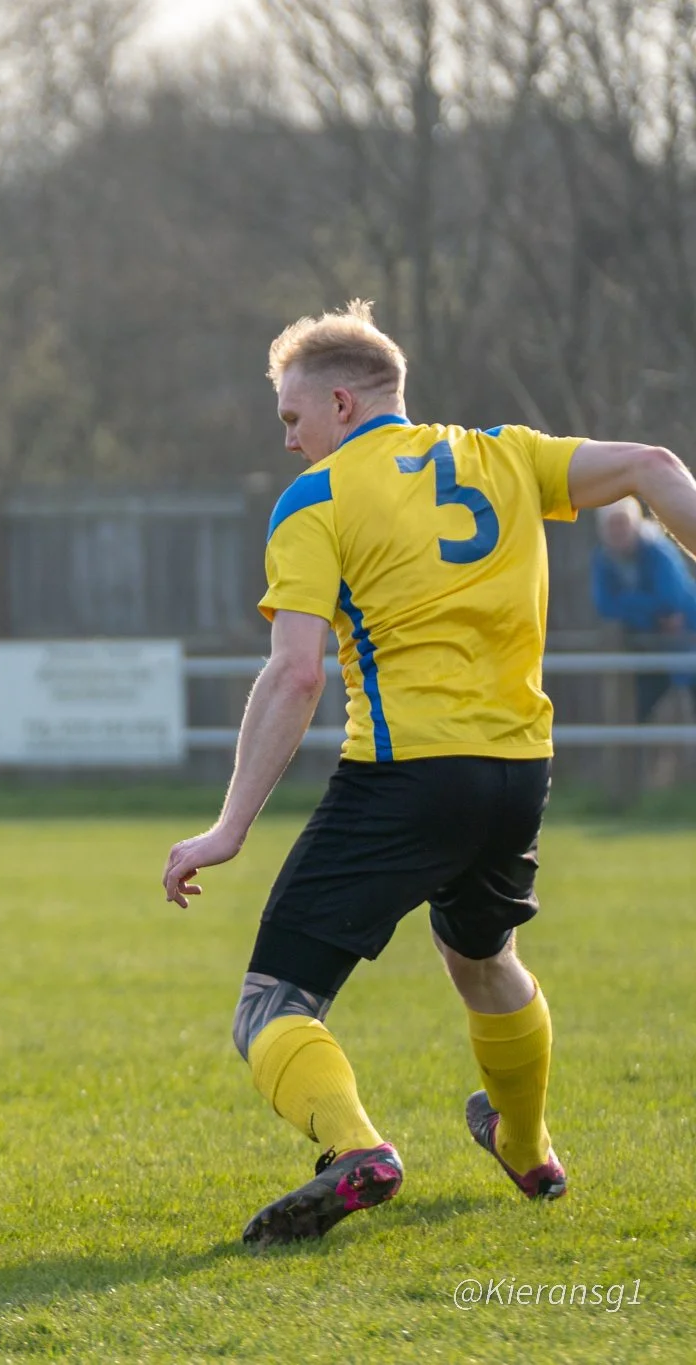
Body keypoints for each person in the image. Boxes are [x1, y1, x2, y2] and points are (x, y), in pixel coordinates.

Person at [161, 299, 696, 1245]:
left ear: (339, 402)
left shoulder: (317, 501)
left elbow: (294, 671)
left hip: (403, 773)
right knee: (485, 960)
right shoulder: (506, 455)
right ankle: (527, 1147)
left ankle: (356, 1148)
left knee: (271, 1006)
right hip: (518, 775)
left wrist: (228, 825)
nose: (288, 442)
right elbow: (655, 469)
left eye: (292, 419)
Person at [590, 497, 696, 721]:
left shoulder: (657, 550)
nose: (618, 530)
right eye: (612, 524)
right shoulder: (604, 559)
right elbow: (605, 605)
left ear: (635, 523)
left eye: (623, 522)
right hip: (651, 643)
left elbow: (670, 600)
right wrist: (651, 614)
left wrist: (629, 604)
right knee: (641, 713)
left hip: (687, 638)